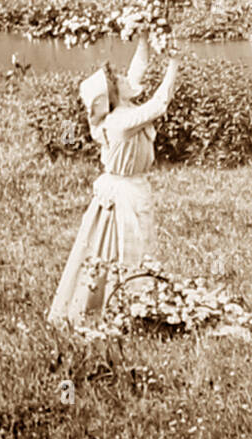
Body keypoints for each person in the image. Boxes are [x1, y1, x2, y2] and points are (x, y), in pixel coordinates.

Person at [49, 32, 179, 324]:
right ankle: (126, 304)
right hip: (126, 191)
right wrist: (174, 62)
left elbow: (136, 71)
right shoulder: (120, 122)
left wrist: (145, 38)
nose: (124, 77)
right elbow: (159, 104)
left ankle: (117, 302)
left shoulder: (119, 111)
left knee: (105, 246)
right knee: (126, 245)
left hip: (124, 186)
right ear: (113, 95)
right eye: (118, 80)